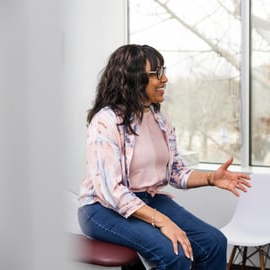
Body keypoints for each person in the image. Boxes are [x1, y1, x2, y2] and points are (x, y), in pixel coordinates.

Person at [77, 44, 251, 270]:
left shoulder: (159, 118)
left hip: (148, 199)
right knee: (174, 255)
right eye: (156, 73)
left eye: (164, 71)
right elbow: (112, 191)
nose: (165, 79)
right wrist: (163, 222)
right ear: (133, 78)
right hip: (102, 209)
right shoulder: (106, 121)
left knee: (214, 243)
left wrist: (211, 178)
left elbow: (176, 172)